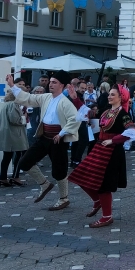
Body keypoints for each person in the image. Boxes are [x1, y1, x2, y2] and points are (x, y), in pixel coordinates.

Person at [6, 71, 79, 211]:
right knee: (24, 162)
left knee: (59, 170)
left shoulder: (65, 102)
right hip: (44, 137)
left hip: (58, 140)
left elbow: (75, 119)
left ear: (62, 85)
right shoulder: (46, 97)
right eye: (50, 82)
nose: (50, 84)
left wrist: (62, 133)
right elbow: (28, 98)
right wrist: (12, 85)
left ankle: (64, 198)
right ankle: (44, 184)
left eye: (54, 82)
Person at [67, 87, 135, 228]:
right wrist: (75, 98)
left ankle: (107, 217)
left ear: (121, 98)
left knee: (104, 184)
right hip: (99, 148)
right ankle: (97, 201)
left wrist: (113, 140)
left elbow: (132, 131)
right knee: (80, 175)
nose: (109, 96)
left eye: (113, 95)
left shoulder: (123, 115)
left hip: (112, 152)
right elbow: (89, 113)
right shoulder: (106, 111)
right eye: (109, 94)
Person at [0, 83, 28, 187]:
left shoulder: (7, 104)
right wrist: (24, 118)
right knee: (20, 154)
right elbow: (14, 119)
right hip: (14, 134)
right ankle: (15, 177)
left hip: (8, 133)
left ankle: (3, 178)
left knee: (7, 156)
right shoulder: (13, 104)